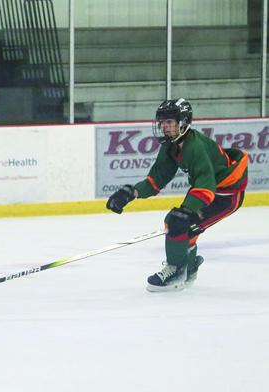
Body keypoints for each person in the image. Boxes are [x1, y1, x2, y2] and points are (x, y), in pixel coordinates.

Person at [106, 98, 248, 292]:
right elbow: (156, 179)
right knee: (183, 225)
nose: (165, 127)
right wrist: (131, 193)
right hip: (208, 190)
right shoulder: (171, 145)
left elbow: (206, 187)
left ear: (183, 123)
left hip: (226, 196)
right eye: (162, 122)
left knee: (177, 223)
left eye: (170, 122)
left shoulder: (195, 147)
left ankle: (176, 270)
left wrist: (187, 210)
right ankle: (188, 266)